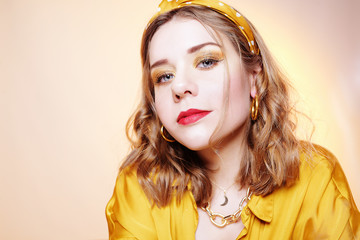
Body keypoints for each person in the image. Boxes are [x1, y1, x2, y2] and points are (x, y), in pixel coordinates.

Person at [105, 0, 360, 239]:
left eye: (206, 61)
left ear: (255, 78)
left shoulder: (315, 179)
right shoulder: (138, 186)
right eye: (163, 76)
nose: (179, 86)